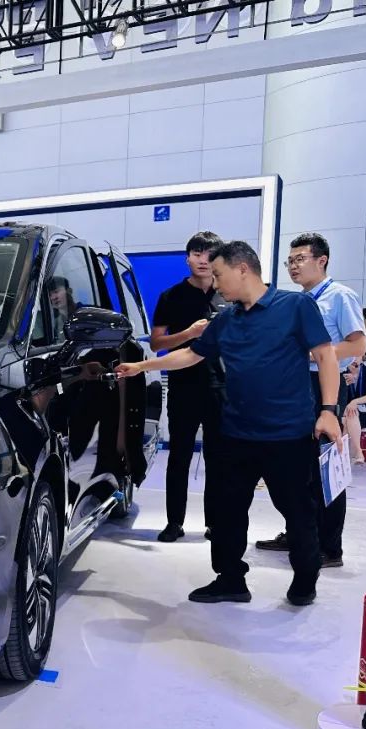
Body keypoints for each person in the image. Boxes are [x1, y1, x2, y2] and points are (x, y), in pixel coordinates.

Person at [116, 241, 341, 607]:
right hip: (236, 433)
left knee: (298, 512)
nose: (216, 283)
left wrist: (328, 409)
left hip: (288, 435)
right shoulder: (226, 320)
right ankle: (230, 579)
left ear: (242, 269)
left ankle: (305, 579)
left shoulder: (295, 306)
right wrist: (141, 366)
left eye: (219, 275)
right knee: (226, 512)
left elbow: (325, 356)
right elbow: (191, 355)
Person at [256, 233, 366, 567]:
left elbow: (357, 345)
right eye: (289, 261)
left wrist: (314, 353)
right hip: (296, 386)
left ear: (322, 260)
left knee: (325, 468)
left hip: (324, 386)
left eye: (300, 259)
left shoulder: (339, 296)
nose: (293, 266)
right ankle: (299, 533)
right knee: (295, 467)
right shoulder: (297, 301)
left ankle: (330, 547)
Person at [149, 231, 225, 544]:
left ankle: (216, 523)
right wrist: (188, 334)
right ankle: (174, 522)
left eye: (209, 254)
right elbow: (156, 343)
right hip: (183, 386)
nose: (203, 260)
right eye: (196, 253)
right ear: (187, 258)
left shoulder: (228, 294)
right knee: (179, 456)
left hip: (222, 387)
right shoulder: (171, 296)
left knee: (218, 458)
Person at [345, 358, 366, 463]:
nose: (354, 358)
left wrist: (354, 402)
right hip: (345, 411)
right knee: (349, 415)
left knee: (348, 418)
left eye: (357, 355)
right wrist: (343, 384)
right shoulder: (341, 373)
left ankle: (344, 457)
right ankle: (357, 452)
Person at [47, 276, 77, 341]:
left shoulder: (84, 312)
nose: (53, 297)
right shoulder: (54, 323)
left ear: (69, 291)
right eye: (49, 295)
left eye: (56, 292)